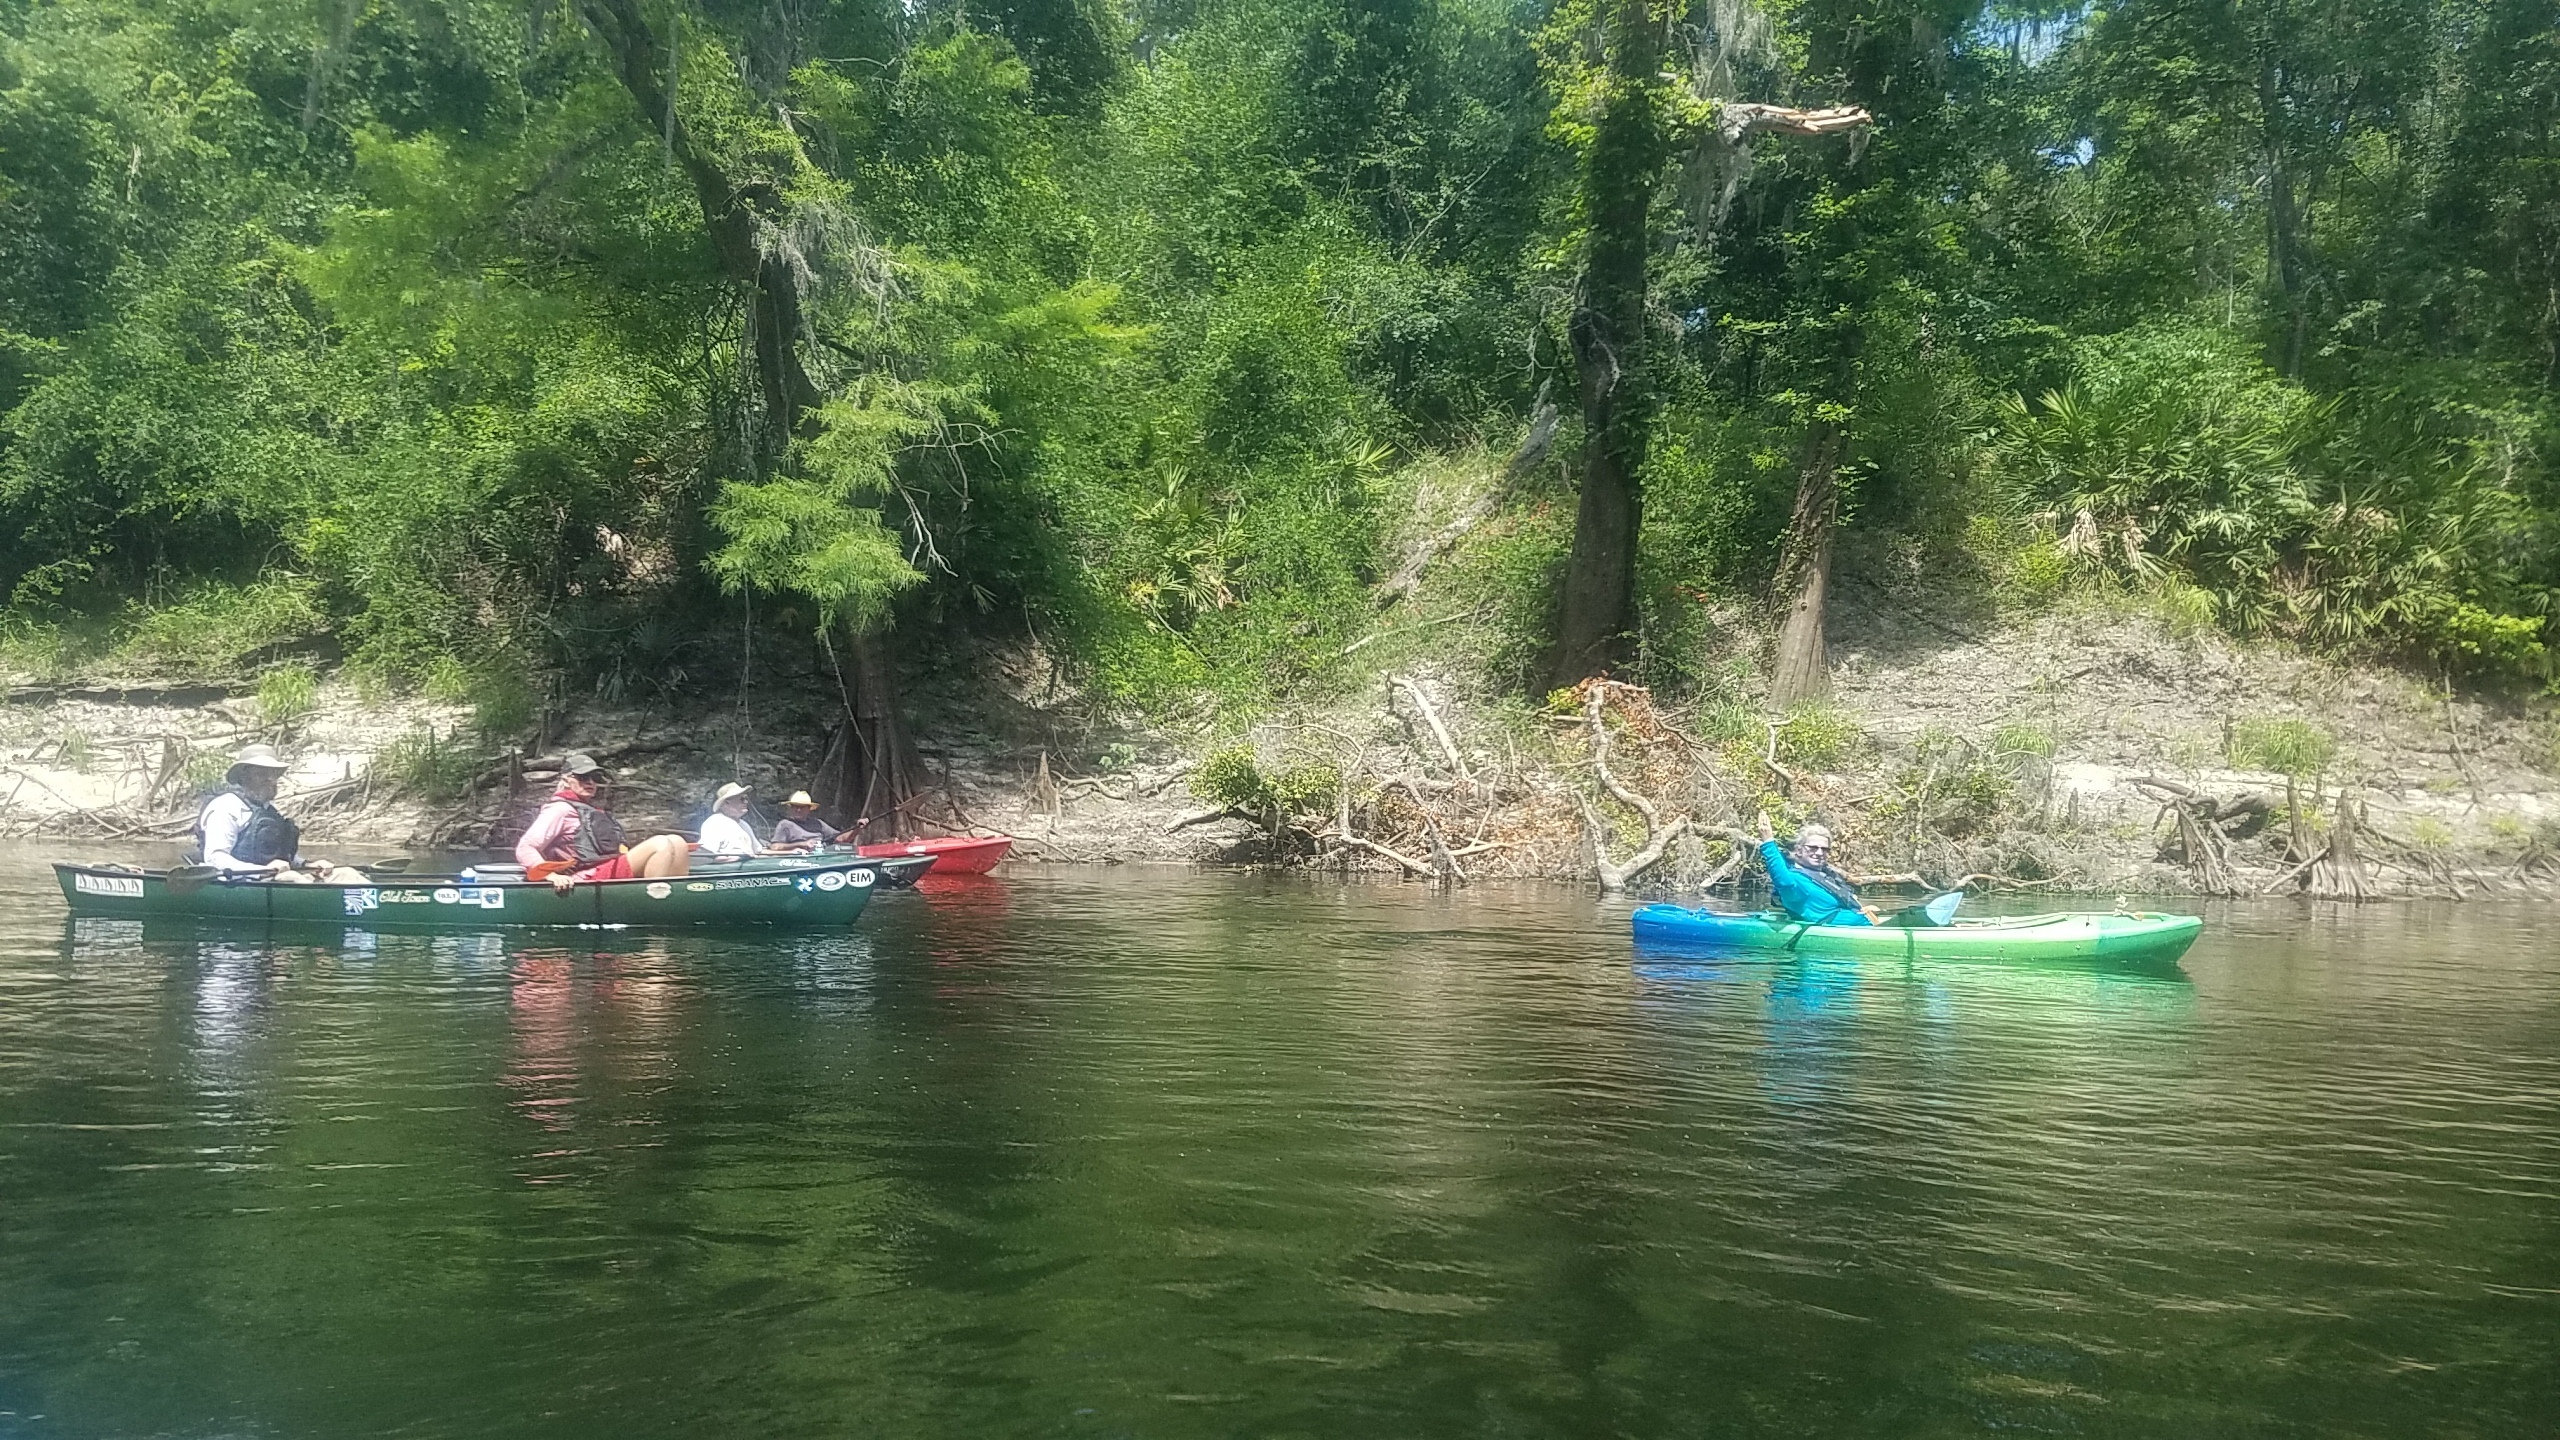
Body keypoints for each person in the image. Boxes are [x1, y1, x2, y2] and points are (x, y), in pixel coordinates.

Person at [514, 752, 690, 892]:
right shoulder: (559, 809)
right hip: (585, 877)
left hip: (605, 869)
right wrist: (550, 875)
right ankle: (655, 901)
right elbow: (525, 847)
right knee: (660, 843)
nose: (590, 782)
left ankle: (677, 897)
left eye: (594, 778)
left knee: (678, 842)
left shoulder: (587, 809)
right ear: (567, 780)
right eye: (583, 777)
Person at [195, 744, 366, 884]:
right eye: (262, 774)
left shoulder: (268, 811)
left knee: (347, 874)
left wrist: (308, 864)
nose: (271, 779)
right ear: (244, 777)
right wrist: (262, 871)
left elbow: (279, 856)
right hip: (241, 883)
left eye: (273, 774)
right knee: (291, 878)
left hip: (275, 879)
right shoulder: (225, 807)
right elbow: (215, 858)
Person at [1756, 811, 1879, 926]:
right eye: (1813, 847)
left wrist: (1860, 909)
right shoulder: (1796, 879)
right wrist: (1768, 842)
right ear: (1799, 850)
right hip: (1847, 933)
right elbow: (1785, 883)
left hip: (1867, 924)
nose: (1820, 853)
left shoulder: (1826, 877)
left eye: (1824, 849)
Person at [768, 791, 857, 852]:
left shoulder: (817, 823)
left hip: (823, 858)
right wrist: (802, 844)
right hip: (798, 862)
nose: (798, 810)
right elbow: (775, 847)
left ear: (809, 809)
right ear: (790, 808)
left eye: (802, 807)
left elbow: (840, 839)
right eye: (795, 806)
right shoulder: (785, 824)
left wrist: (857, 829)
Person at [698, 782, 762, 859]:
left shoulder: (744, 824)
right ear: (726, 803)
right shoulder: (715, 823)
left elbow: (758, 851)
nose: (746, 802)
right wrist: (737, 858)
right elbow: (707, 855)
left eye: (746, 799)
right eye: (742, 799)